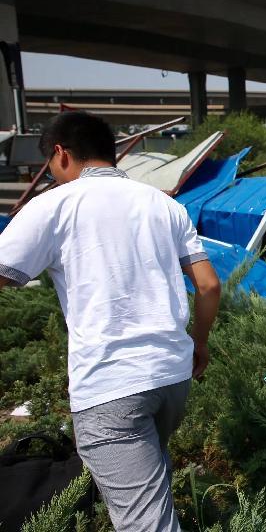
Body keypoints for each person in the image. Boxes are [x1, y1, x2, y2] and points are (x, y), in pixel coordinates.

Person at [0, 111, 221, 531]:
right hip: (171, 376)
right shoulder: (165, 205)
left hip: (111, 385)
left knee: (145, 523)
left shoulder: (52, 206)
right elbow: (209, 286)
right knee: (149, 488)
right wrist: (199, 341)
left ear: (61, 154)